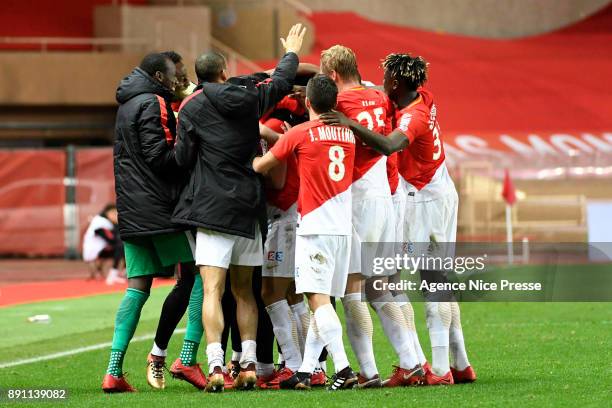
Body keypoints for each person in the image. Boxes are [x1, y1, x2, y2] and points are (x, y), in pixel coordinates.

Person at [320, 53, 476, 385]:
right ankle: (459, 363)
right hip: (435, 192)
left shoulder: (414, 116)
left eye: (387, 76)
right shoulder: (420, 96)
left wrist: (351, 123)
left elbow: (390, 145)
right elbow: (369, 88)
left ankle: (438, 369)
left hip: (425, 201)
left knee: (427, 282)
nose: (383, 80)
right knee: (421, 281)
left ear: (397, 82)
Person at [171, 24, 307, 392]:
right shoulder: (249, 99)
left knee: (213, 290)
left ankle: (216, 366)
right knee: (245, 291)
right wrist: (291, 52)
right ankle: (248, 364)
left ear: (199, 78)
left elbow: (182, 159)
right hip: (249, 207)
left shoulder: (191, 106)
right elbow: (280, 83)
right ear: (224, 72)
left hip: (211, 208)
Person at [320, 45, 423, 388]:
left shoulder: (338, 105)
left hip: (356, 199)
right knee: (380, 288)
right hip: (383, 196)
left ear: (332, 76)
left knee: (352, 289)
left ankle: (367, 371)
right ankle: (411, 361)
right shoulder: (379, 97)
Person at [101, 52, 199, 393]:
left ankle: (114, 371)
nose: (176, 81)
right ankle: (187, 358)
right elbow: (161, 156)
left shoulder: (127, 102)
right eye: (173, 75)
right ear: (159, 76)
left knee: (137, 286)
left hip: (132, 209)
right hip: (160, 208)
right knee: (201, 274)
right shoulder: (152, 102)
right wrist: (189, 143)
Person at [253, 74, 358, 391]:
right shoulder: (349, 135)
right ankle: (307, 369)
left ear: (308, 102)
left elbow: (261, 167)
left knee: (317, 300)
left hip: (315, 228)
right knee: (317, 300)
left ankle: (342, 367)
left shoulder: (300, 133)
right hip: (343, 228)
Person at [143, 50, 206, 391]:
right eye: (177, 73)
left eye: (184, 73)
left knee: (209, 284)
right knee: (191, 281)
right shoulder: (168, 109)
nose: (181, 78)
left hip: (202, 203)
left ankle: (193, 358)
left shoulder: (189, 100)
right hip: (187, 205)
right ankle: (162, 355)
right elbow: (173, 159)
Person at [82, 203, 125, 284]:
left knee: (123, 246)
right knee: (121, 246)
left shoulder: (102, 221)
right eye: (114, 213)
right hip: (94, 252)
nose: (116, 216)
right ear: (108, 213)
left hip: (100, 250)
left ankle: (123, 272)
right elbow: (111, 240)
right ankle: (113, 276)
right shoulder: (101, 222)